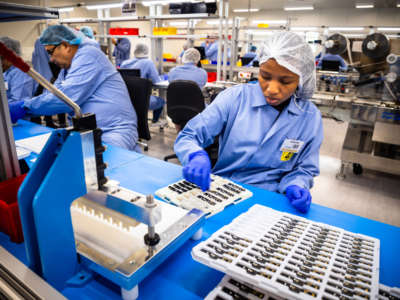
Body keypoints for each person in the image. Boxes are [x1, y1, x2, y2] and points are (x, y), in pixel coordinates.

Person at [174, 32, 323, 214]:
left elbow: (304, 168)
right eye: (265, 76)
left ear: (302, 79)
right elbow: (190, 135)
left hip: (271, 199)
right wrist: (194, 155)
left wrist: (296, 184)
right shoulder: (235, 98)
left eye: (285, 81)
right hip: (222, 191)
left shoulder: (309, 117)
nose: (272, 89)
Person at [9, 25, 139, 152]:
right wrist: (28, 105)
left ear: (65, 45)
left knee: (99, 167)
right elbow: (54, 92)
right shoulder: (68, 67)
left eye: (51, 52)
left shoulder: (89, 55)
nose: (51, 59)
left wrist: (24, 106)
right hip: (87, 131)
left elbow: (65, 98)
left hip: (114, 131)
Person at [120, 43, 165, 124]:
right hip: (143, 101)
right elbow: (157, 82)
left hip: (127, 100)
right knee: (161, 100)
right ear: (146, 51)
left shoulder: (125, 63)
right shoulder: (148, 63)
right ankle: (155, 121)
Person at [0, 36, 34, 103]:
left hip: (16, 112)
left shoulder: (21, 72)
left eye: (2, 58)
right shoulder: (5, 72)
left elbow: (19, 103)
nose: (1, 63)